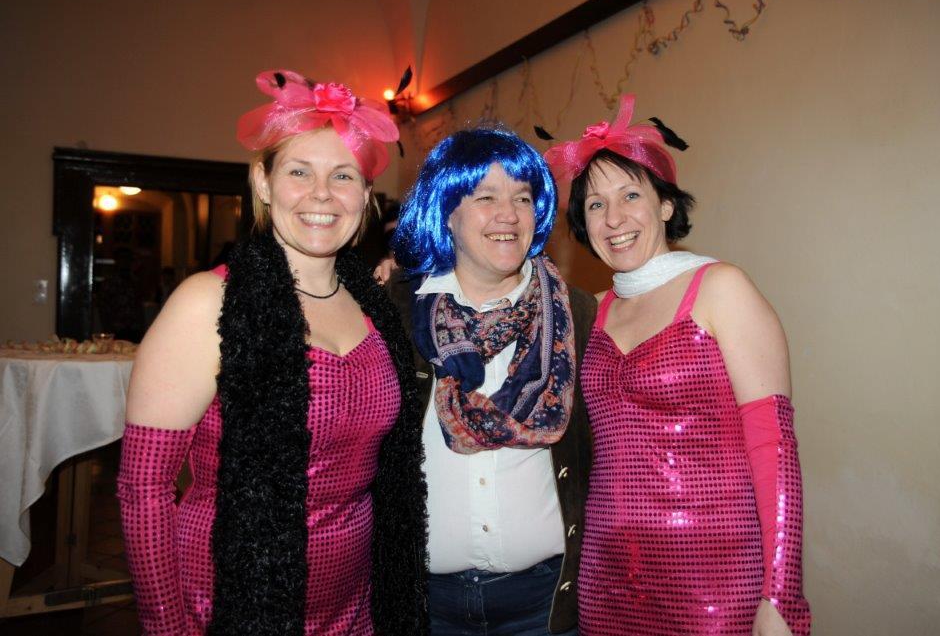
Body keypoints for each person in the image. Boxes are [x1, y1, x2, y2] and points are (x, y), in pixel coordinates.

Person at [117, 70, 428, 635]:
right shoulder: (208, 303)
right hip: (230, 604)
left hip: (358, 607)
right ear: (262, 183)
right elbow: (144, 488)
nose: (322, 194)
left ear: (365, 194)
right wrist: (168, 627)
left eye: (343, 175)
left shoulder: (377, 308)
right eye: (299, 171)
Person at [545, 95, 811, 636]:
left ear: (665, 205)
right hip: (605, 580)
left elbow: (774, 446)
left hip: (713, 582)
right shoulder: (590, 313)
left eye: (630, 195)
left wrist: (781, 594)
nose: (613, 219)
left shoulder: (721, 289)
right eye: (595, 205)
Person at [387, 128, 596, 635]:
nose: (509, 215)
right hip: (424, 607)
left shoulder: (579, 313)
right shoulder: (393, 310)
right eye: (486, 198)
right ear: (447, 212)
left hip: (543, 606)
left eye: (522, 198)